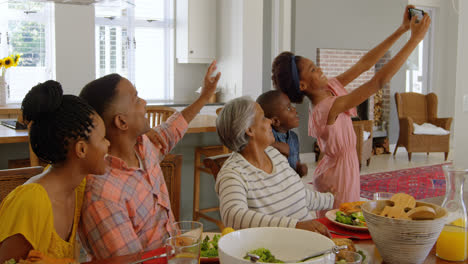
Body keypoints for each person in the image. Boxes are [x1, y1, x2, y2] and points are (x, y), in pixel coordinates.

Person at [271, 6, 430, 209]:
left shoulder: (329, 88)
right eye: (313, 69)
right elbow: (377, 83)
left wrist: (402, 29)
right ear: (303, 85)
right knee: (342, 221)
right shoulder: (327, 107)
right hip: (338, 175)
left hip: (342, 167)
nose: (319, 69)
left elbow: (365, 64)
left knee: (345, 217)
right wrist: (415, 41)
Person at [78, 61, 221, 259]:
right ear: (121, 121)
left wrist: (204, 96)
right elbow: (132, 261)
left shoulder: (144, 146)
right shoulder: (103, 195)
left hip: (175, 257)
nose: (144, 102)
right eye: (136, 99)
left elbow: (173, 127)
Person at [0, 81, 109, 263]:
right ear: (81, 149)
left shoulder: (78, 187)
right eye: (103, 139)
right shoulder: (32, 202)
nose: (108, 145)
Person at [215, 96, 333, 237]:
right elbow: (234, 216)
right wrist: (295, 226)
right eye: (263, 117)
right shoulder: (233, 173)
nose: (270, 121)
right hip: (278, 247)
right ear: (250, 130)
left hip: (307, 240)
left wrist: (334, 200)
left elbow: (298, 195)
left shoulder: (274, 154)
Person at [257, 90, 308, 177]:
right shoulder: (267, 136)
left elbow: (295, 164)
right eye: (288, 108)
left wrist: (299, 169)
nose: (294, 109)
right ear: (276, 121)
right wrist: (275, 145)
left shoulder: (294, 138)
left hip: (291, 183)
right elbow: (257, 146)